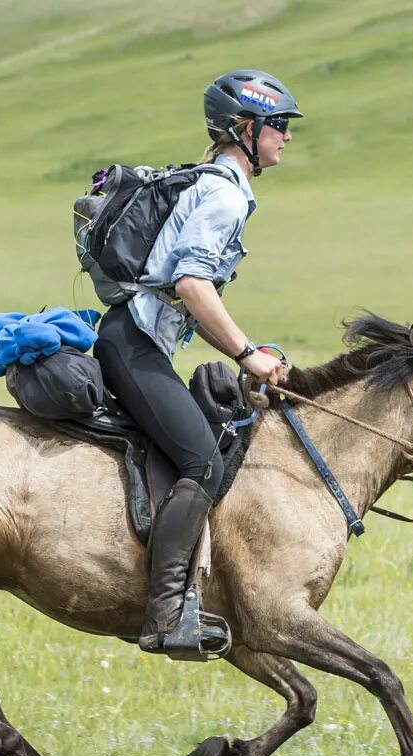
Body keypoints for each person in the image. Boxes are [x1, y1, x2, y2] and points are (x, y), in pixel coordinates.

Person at [92, 69, 302, 654]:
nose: (286, 137)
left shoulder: (215, 183)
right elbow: (190, 284)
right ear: (246, 128)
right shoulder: (225, 193)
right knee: (204, 464)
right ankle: (164, 617)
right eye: (279, 126)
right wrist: (247, 354)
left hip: (137, 340)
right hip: (133, 343)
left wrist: (245, 352)